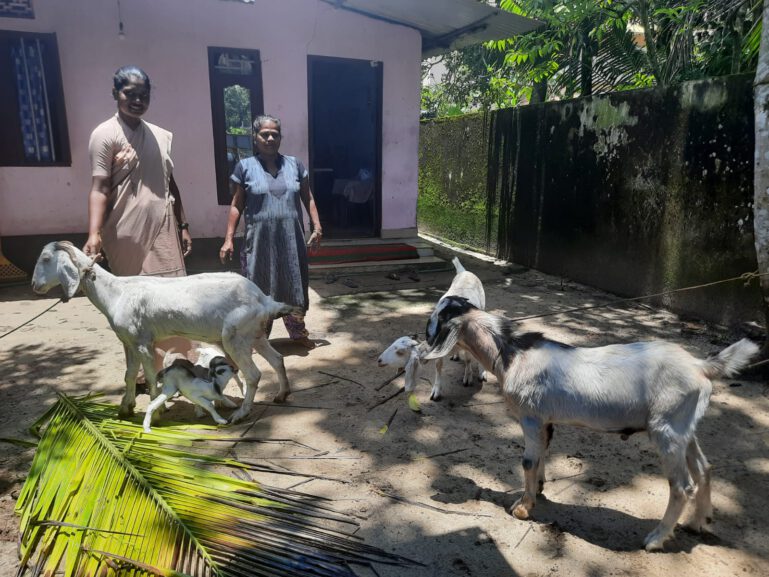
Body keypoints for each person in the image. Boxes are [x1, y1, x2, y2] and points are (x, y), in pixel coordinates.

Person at [83, 65, 192, 367]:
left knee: (172, 300)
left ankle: (177, 366)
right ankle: (145, 371)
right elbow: (99, 187)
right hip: (124, 233)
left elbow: (171, 183)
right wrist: (93, 233)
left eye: (143, 95)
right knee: (135, 305)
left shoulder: (158, 135)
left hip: (163, 227)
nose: (137, 101)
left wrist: (183, 225)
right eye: (129, 94)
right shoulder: (104, 134)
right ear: (115, 94)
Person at [219, 114, 322, 348]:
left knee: (293, 286)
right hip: (259, 242)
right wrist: (228, 240)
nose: (270, 138)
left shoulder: (295, 165)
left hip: (290, 241)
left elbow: (308, 197)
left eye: (275, 134)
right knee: (259, 287)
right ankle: (258, 337)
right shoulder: (244, 167)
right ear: (255, 138)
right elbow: (236, 205)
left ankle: (298, 334)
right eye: (264, 134)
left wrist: (317, 225)